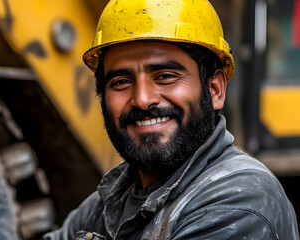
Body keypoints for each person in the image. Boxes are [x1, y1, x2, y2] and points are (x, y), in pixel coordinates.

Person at [45, 0, 299, 239]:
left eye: (165, 76)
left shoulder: (240, 200)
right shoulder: (116, 195)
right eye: (121, 82)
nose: (143, 99)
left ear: (215, 89)